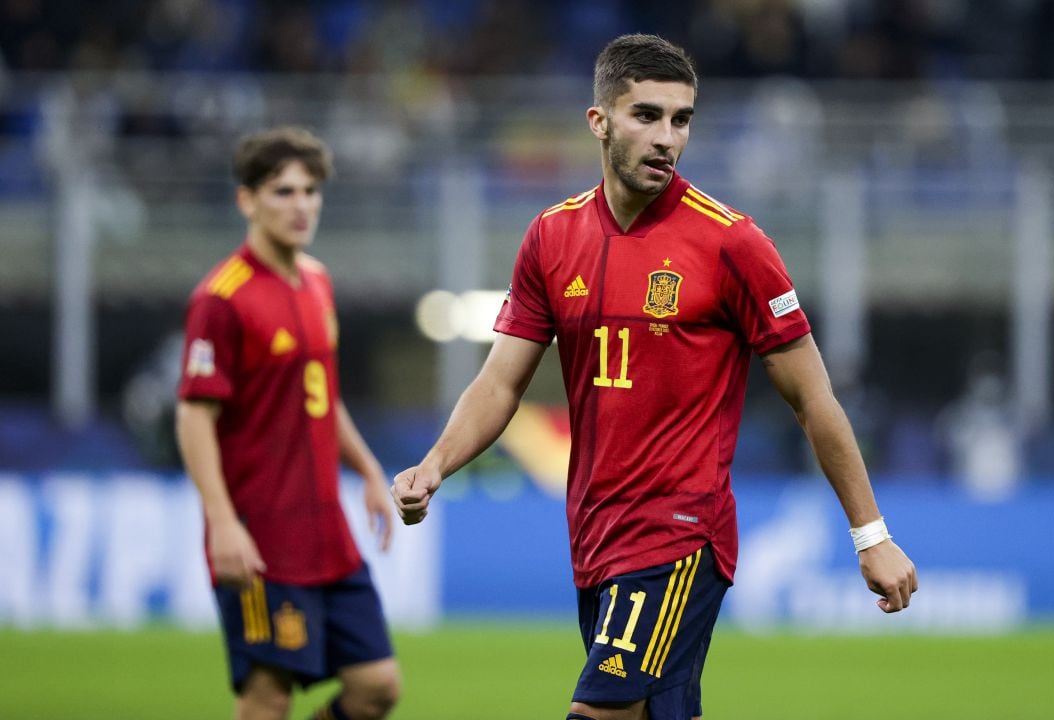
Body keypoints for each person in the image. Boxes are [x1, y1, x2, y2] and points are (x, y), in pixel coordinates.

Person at [392, 34, 917, 720]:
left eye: (681, 119)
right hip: (593, 534)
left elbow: (812, 399)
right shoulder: (551, 237)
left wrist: (870, 537)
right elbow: (500, 383)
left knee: (597, 715)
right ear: (599, 121)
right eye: (646, 115)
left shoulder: (734, 243)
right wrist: (436, 463)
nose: (667, 137)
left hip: (678, 534)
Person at [175, 126, 400, 720]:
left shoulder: (318, 282)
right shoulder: (221, 299)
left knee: (377, 686)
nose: (301, 206)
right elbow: (194, 415)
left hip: (326, 528)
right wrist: (222, 522)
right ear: (246, 200)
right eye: (283, 192)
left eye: (310, 191)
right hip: (261, 532)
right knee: (268, 697)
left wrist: (370, 471)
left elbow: (322, 398)